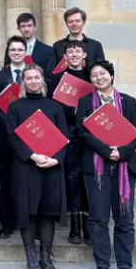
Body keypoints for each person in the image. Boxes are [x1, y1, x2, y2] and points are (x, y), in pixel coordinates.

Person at [76, 60, 136, 269]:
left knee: (125, 220)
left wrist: (120, 153)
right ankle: (102, 267)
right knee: (98, 219)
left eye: (102, 73)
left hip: (125, 166)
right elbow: (82, 133)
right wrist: (106, 151)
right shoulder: (85, 102)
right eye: (94, 75)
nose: (98, 77)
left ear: (111, 76)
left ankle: (125, 267)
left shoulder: (128, 102)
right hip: (96, 167)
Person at [6, 64, 68, 269]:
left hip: (50, 167)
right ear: (23, 82)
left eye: (36, 77)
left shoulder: (54, 107)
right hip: (26, 166)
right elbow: (12, 137)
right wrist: (32, 156)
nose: (33, 81)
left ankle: (46, 258)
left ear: (42, 80)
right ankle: (31, 258)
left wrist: (55, 160)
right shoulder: (15, 107)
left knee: (47, 212)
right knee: (28, 212)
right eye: (28, 78)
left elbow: (64, 138)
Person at [48, 40, 91, 245]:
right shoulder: (57, 79)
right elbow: (53, 107)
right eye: (70, 51)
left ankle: (89, 224)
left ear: (84, 55)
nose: (74, 54)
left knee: (89, 178)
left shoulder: (93, 76)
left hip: (91, 135)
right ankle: (75, 225)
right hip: (69, 133)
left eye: (77, 50)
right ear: (65, 57)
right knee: (73, 178)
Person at [0, 35, 28, 240]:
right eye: (12, 50)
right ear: (8, 52)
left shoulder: (33, 74)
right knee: (7, 181)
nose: (16, 53)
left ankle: (28, 223)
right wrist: (11, 124)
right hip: (6, 135)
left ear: (25, 52)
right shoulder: (0, 76)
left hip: (29, 137)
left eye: (19, 50)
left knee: (27, 181)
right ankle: (7, 223)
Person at [4, 13, 54, 80]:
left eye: (29, 25)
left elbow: (50, 77)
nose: (26, 29)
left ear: (35, 27)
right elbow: (6, 72)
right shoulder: (10, 49)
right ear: (18, 28)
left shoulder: (48, 50)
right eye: (23, 26)